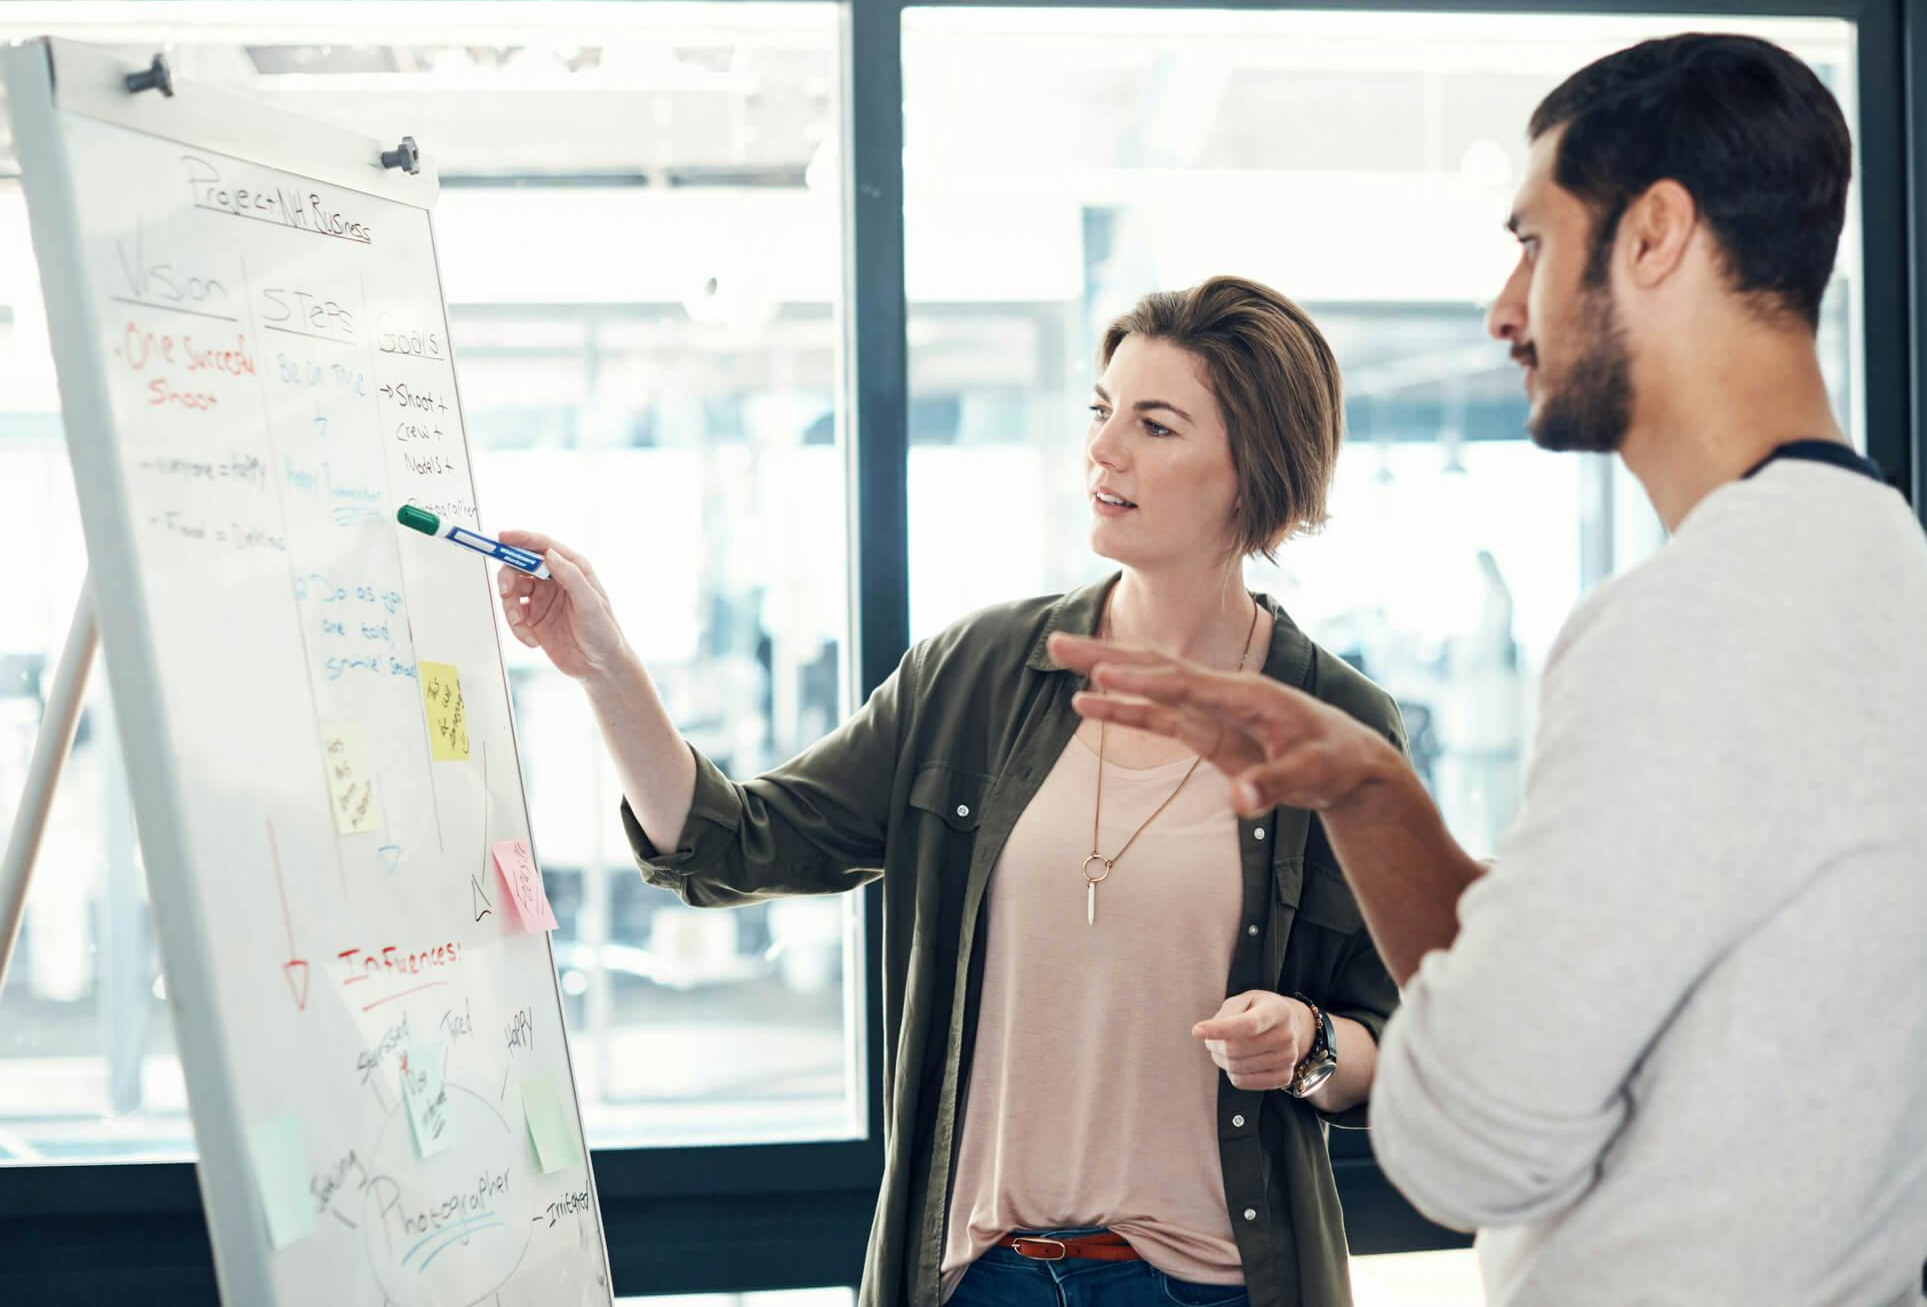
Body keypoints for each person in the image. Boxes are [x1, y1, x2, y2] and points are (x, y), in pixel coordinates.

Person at [1052, 34, 1927, 1307]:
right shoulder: (1875, 558)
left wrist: (1389, 1061)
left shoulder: (1695, 619)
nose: (1505, 308)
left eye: (1535, 243)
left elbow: (1467, 1147)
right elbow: (1621, 1003)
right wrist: (1373, 793)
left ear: (1655, 236)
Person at [496, 275, 1404, 1307]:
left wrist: (1309, 1043)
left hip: (1217, 1285)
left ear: (1254, 467)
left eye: (1155, 425)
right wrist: (605, 663)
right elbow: (734, 843)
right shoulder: (975, 676)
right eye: (1102, 412)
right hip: (990, 1279)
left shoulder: (1336, 721)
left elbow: (1397, 1036)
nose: (1103, 452)